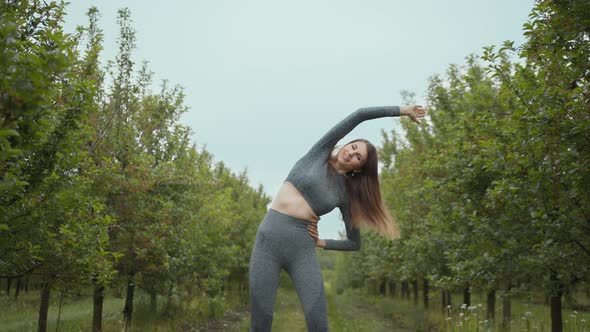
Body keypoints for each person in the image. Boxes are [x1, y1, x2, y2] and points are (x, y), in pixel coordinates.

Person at [249, 105, 426, 331]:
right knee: (261, 322)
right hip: (268, 242)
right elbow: (360, 115)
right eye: (353, 147)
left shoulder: (345, 194)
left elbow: (354, 243)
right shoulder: (319, 154)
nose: (351, 153)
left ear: (358, 169)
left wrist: (322, 243)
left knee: (318, 322)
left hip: (301, 250)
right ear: (346, 144)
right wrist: (403, 110)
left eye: (358, 157)